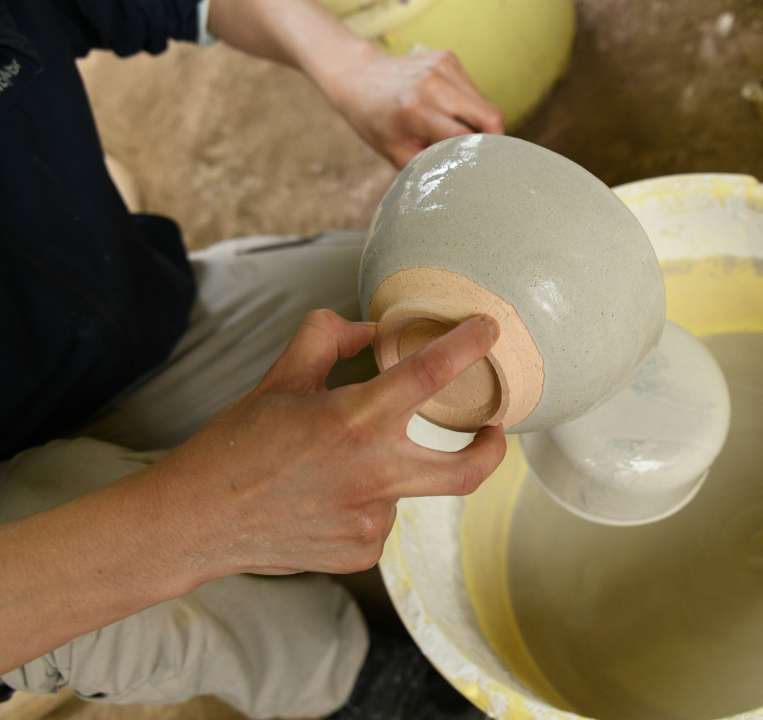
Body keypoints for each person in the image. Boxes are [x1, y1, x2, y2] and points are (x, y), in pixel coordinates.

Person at [0, 0, 509, 715]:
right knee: (85, 567)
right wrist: (210, 515)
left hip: (136, 320)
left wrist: (352, 65)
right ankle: (355, 679)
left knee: (435, 310)